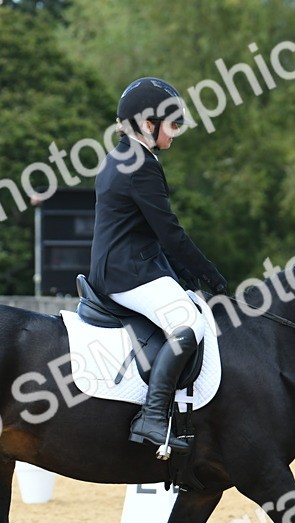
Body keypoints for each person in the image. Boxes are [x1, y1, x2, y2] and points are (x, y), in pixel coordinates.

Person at [88, 77, 228, 456]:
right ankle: (151, 416)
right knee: (189, 322)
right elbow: (169, 233)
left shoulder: (121, 156)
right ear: (148, 123)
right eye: (173, 124)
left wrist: (184, 275)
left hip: (127, 265)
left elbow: (146, 232)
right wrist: (209, 273)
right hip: (127, 273)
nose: (177, 132)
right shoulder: (141, 164)